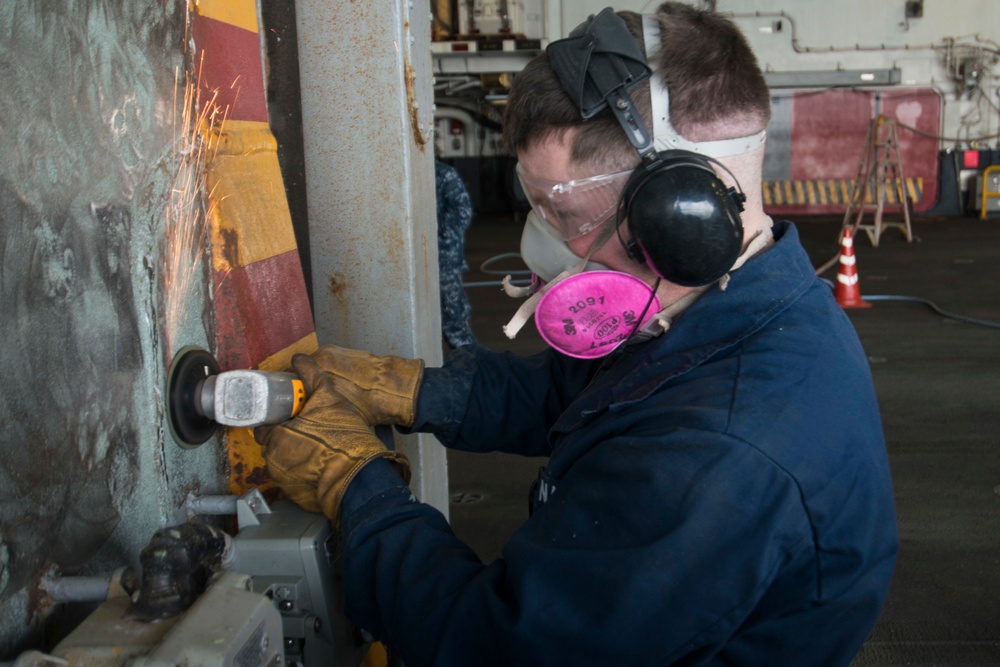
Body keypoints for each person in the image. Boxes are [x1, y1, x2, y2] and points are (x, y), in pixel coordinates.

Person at [254, 4, 898, 665]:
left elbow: (495, 646)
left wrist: (355, 485)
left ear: (679, 213)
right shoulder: (730, 307)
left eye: (567, 215)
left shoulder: (717, 455)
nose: (550, 247)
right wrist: (416, 391)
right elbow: (581, 392)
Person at [434, 159, 477, 349]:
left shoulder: (443, 173)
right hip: (416, 261)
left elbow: (463, 211)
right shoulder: (404, 173)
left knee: (453, 319)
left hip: (444, 260)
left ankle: (473, 365)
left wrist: (435, 229)